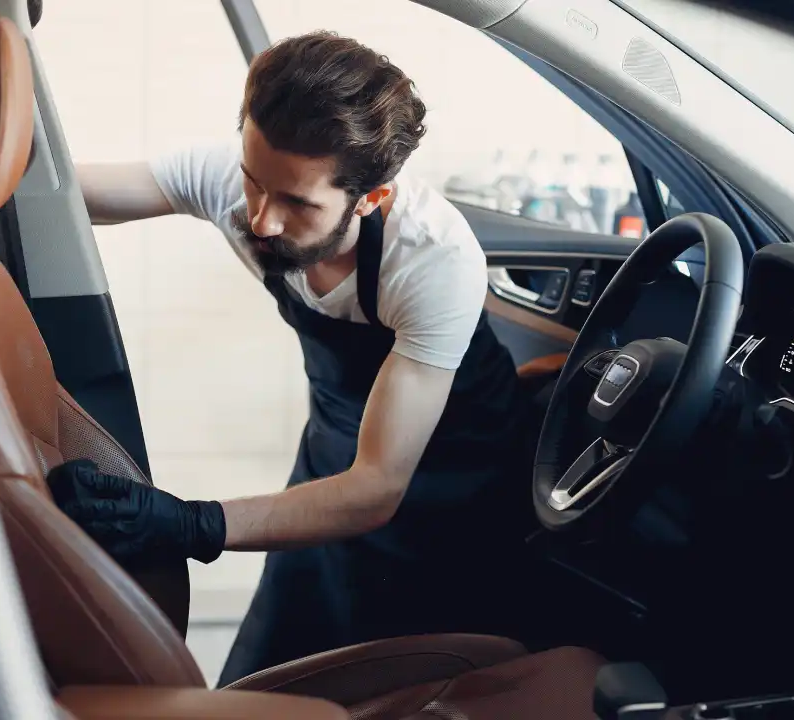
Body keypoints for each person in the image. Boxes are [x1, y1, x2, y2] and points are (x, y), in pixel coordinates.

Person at [61, 31, 525, 685]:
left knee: (415, 683)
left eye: (298, 204)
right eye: (254, 183)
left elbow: (375, 490)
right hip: (335, 454)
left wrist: (193, 524)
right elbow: (60, 194)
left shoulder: (432, 261)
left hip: (452, 487)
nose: (262, 221)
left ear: (372, 199)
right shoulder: (235, 180)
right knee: (272, 673)